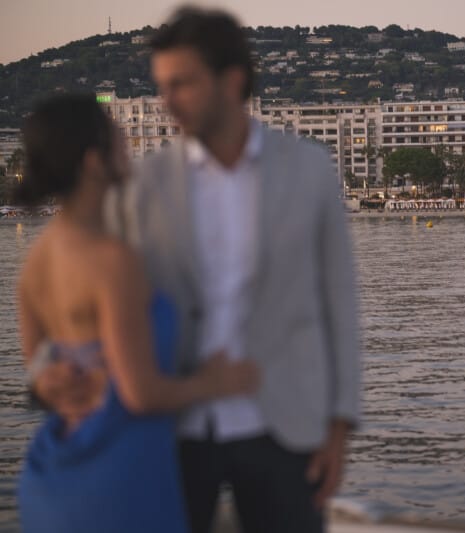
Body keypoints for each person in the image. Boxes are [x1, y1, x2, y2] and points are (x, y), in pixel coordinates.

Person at [36, 6, 361, 533]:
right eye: (161, 86)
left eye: (181, 84)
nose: (166, 102)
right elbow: (80, 282)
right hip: (171, 430)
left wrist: (339, 426)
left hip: (286, 422)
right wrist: (42, 369)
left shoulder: (309, 169)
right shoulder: (143, 184)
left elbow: (339, 303)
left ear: (232, 81)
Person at [16, 94, 260, 533]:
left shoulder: (38, 258)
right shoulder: (112, 260)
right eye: (115, 132)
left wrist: (50, 379)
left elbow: (39, 373)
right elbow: (140, 394)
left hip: (54, 470)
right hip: (120, 475)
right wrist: (217, 382)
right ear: (94, 161)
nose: (126, 139)